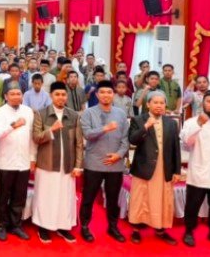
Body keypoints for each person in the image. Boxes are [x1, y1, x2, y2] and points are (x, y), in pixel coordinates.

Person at [31, 81, 83, 244]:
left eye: (63, 94)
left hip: (67, 164)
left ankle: (63, 227)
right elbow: (36, 137)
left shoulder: (74, 115)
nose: (61, 97)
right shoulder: (41, 114)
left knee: (65, 197)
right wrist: (51, 130)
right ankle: (43, 227)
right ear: (51, 96)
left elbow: (79, 143)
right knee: (46, 197)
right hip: (47, 164)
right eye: (57, 94)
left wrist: (78, 166)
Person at [128, 90, 181, 245]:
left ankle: (160, 230)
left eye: (162, 103)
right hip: (144, 168)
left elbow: (176, 148)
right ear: (148, 104)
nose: (159, 106)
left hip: (165, 168)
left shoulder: (171, 123)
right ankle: (136, 230)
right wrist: (145, 127)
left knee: (163, 199)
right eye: (155, 102)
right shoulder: (138, 119)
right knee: (140, 199)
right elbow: (132, 140)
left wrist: (177, 170)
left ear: (165, 105)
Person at [78, 80, 129, 243]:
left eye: (109, 92)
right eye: (102, 92)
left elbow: (126, 139)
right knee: (88, 197)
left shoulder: (121, 114)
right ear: (97, 94)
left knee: (113, 198)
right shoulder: (88, 113)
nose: (106, 95)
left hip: (115, 163)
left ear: (113, 94)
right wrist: (105, 128)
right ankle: (85, 226)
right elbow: (87, 134)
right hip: (94, 163)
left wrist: (119, 155)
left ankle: (113, 227)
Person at [180, 90, 210, 249]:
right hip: (199, 174)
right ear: (203, 103)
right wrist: (198, 124)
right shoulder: (191, 122)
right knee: (192, 206)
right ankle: (189, 232)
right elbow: (186, 144)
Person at [0, 81, 35, 242]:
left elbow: (32, 137)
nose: (16, 96)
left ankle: (16, 225)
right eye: (12, 94)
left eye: (18, 93)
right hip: (5, 162)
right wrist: (13, 126)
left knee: (19, 196)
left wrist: (32, 158)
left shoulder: (28, 111)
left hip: (24, 161)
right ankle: (2, 224)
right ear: (5, 96)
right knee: (3, 196)